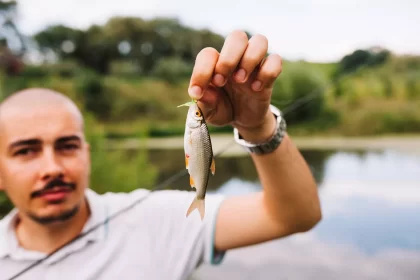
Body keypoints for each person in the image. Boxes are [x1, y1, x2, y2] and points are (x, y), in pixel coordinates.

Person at [0, 30, 321, 280]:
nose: (52, 167)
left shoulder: (155, 221)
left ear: (87, 154)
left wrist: (257, 127)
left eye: (67, 146)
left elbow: (296, 215)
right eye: (26, 151)